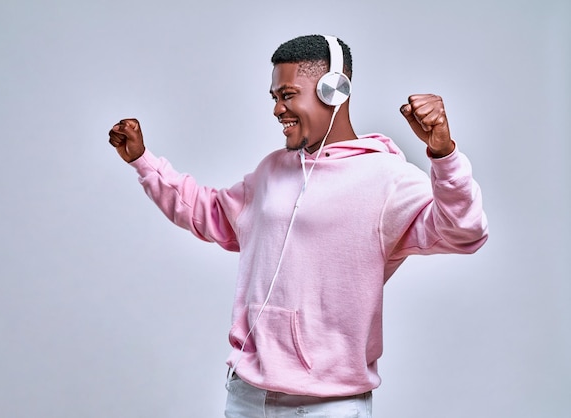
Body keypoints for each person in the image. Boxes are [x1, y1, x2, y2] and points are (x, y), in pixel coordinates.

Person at [108, 34, 488, 417]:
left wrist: (444, 155)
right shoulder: (272, 170)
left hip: (329, 405)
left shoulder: (386, 178)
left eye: (287, 95)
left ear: (334, 91)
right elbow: (208, 213)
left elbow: (465, 231)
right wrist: (144, 162)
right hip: (247, 396)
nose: (277, 109)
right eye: (274, 97)